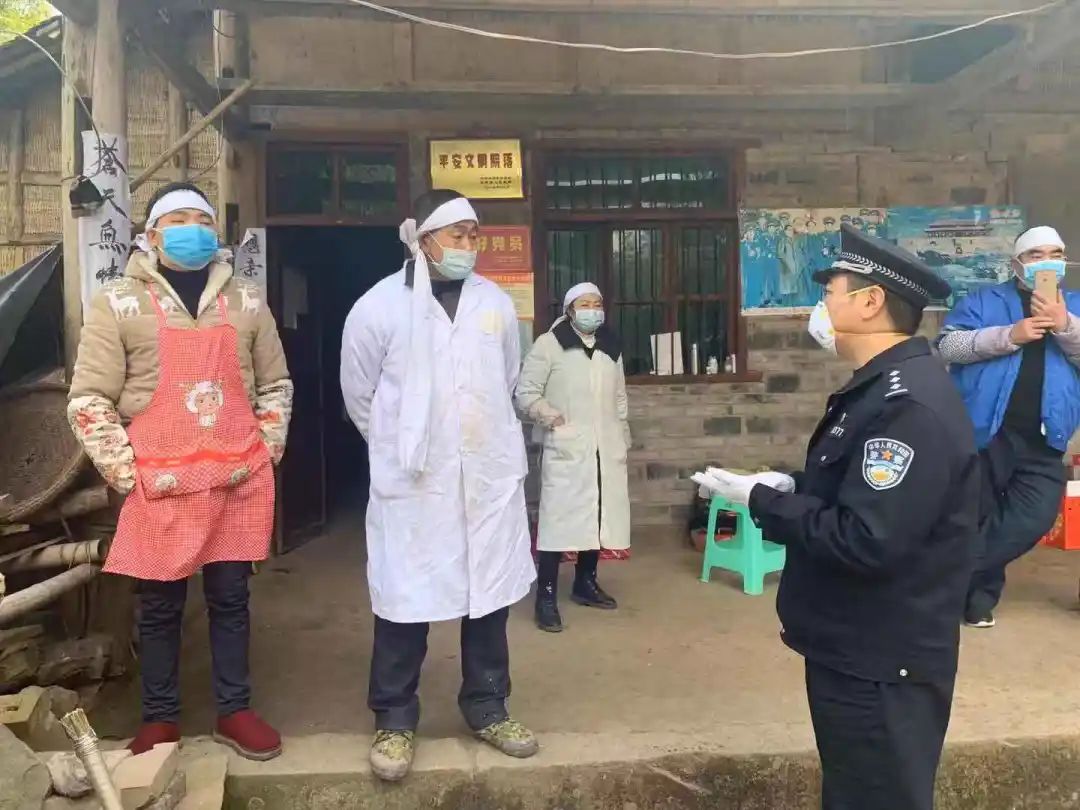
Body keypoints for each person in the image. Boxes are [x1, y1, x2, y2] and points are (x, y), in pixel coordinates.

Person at [698, 224, 980, 810]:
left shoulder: (907, 406)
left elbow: (866, 539)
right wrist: (788, 485)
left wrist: (765, 504)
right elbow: (859, 493)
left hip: (882, 663)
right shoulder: (881, 389)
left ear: (870, 301)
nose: (821, 304)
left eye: (831, 289)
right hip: (859, 651)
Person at [67, 182, 293, 760]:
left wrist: (264, 452)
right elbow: (89, 398)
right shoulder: (118, 302)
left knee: (231, 599)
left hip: (235, 479)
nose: (194, 228)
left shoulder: (246, 300)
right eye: (179, 219)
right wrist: (126, 473)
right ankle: (160, 718)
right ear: (151, 234)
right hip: (158, 483)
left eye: (203, 219)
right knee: (160, 606)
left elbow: (275, 384)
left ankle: (235, 710)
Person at [340, 189, 538, 782]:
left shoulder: (495, 304)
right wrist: (401, 445)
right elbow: (359, 395)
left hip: (486, 477)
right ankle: (395, 718)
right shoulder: (379, 307)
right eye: (458, 235)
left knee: (489, 597)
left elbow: (507, 376)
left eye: (475, 235)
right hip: (415, 483)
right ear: (424, 239)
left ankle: (488, 706)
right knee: (406, 599)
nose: (469, 245)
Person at [938, 226, 1080, 628]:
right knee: (975, 513)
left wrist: (1066, 326)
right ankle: (976, 600)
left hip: (1046, 435)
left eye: (1056, 253)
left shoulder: (1075, 305)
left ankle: (938, 575)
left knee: (1032, 518)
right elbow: (948, 347)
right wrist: (1009, 335)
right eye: (1036, 255)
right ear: (1016, 264)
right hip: (984, 430)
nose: (1047, 262)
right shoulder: (984, 301)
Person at [516, 282, 631, 633]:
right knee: (558, 523)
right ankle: (546, 595)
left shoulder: (610, 346)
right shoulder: (549, 345)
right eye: (585, 304)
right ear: (569, 309)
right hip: (567, 447)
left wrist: (622, 435)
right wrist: (550, 416)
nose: (592, 310)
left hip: (604, 448)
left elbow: (620, 397)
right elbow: (525, 392)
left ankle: (585, 582)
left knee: (597, 516)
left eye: (597, 303)